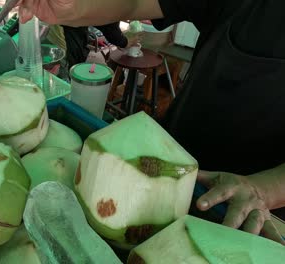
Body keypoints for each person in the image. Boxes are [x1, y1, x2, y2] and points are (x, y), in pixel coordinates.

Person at [18, 0, 285, 244]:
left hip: (250, 208)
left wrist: (264, 188)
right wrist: (71, 7)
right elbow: (135, 4)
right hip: (166, 155)